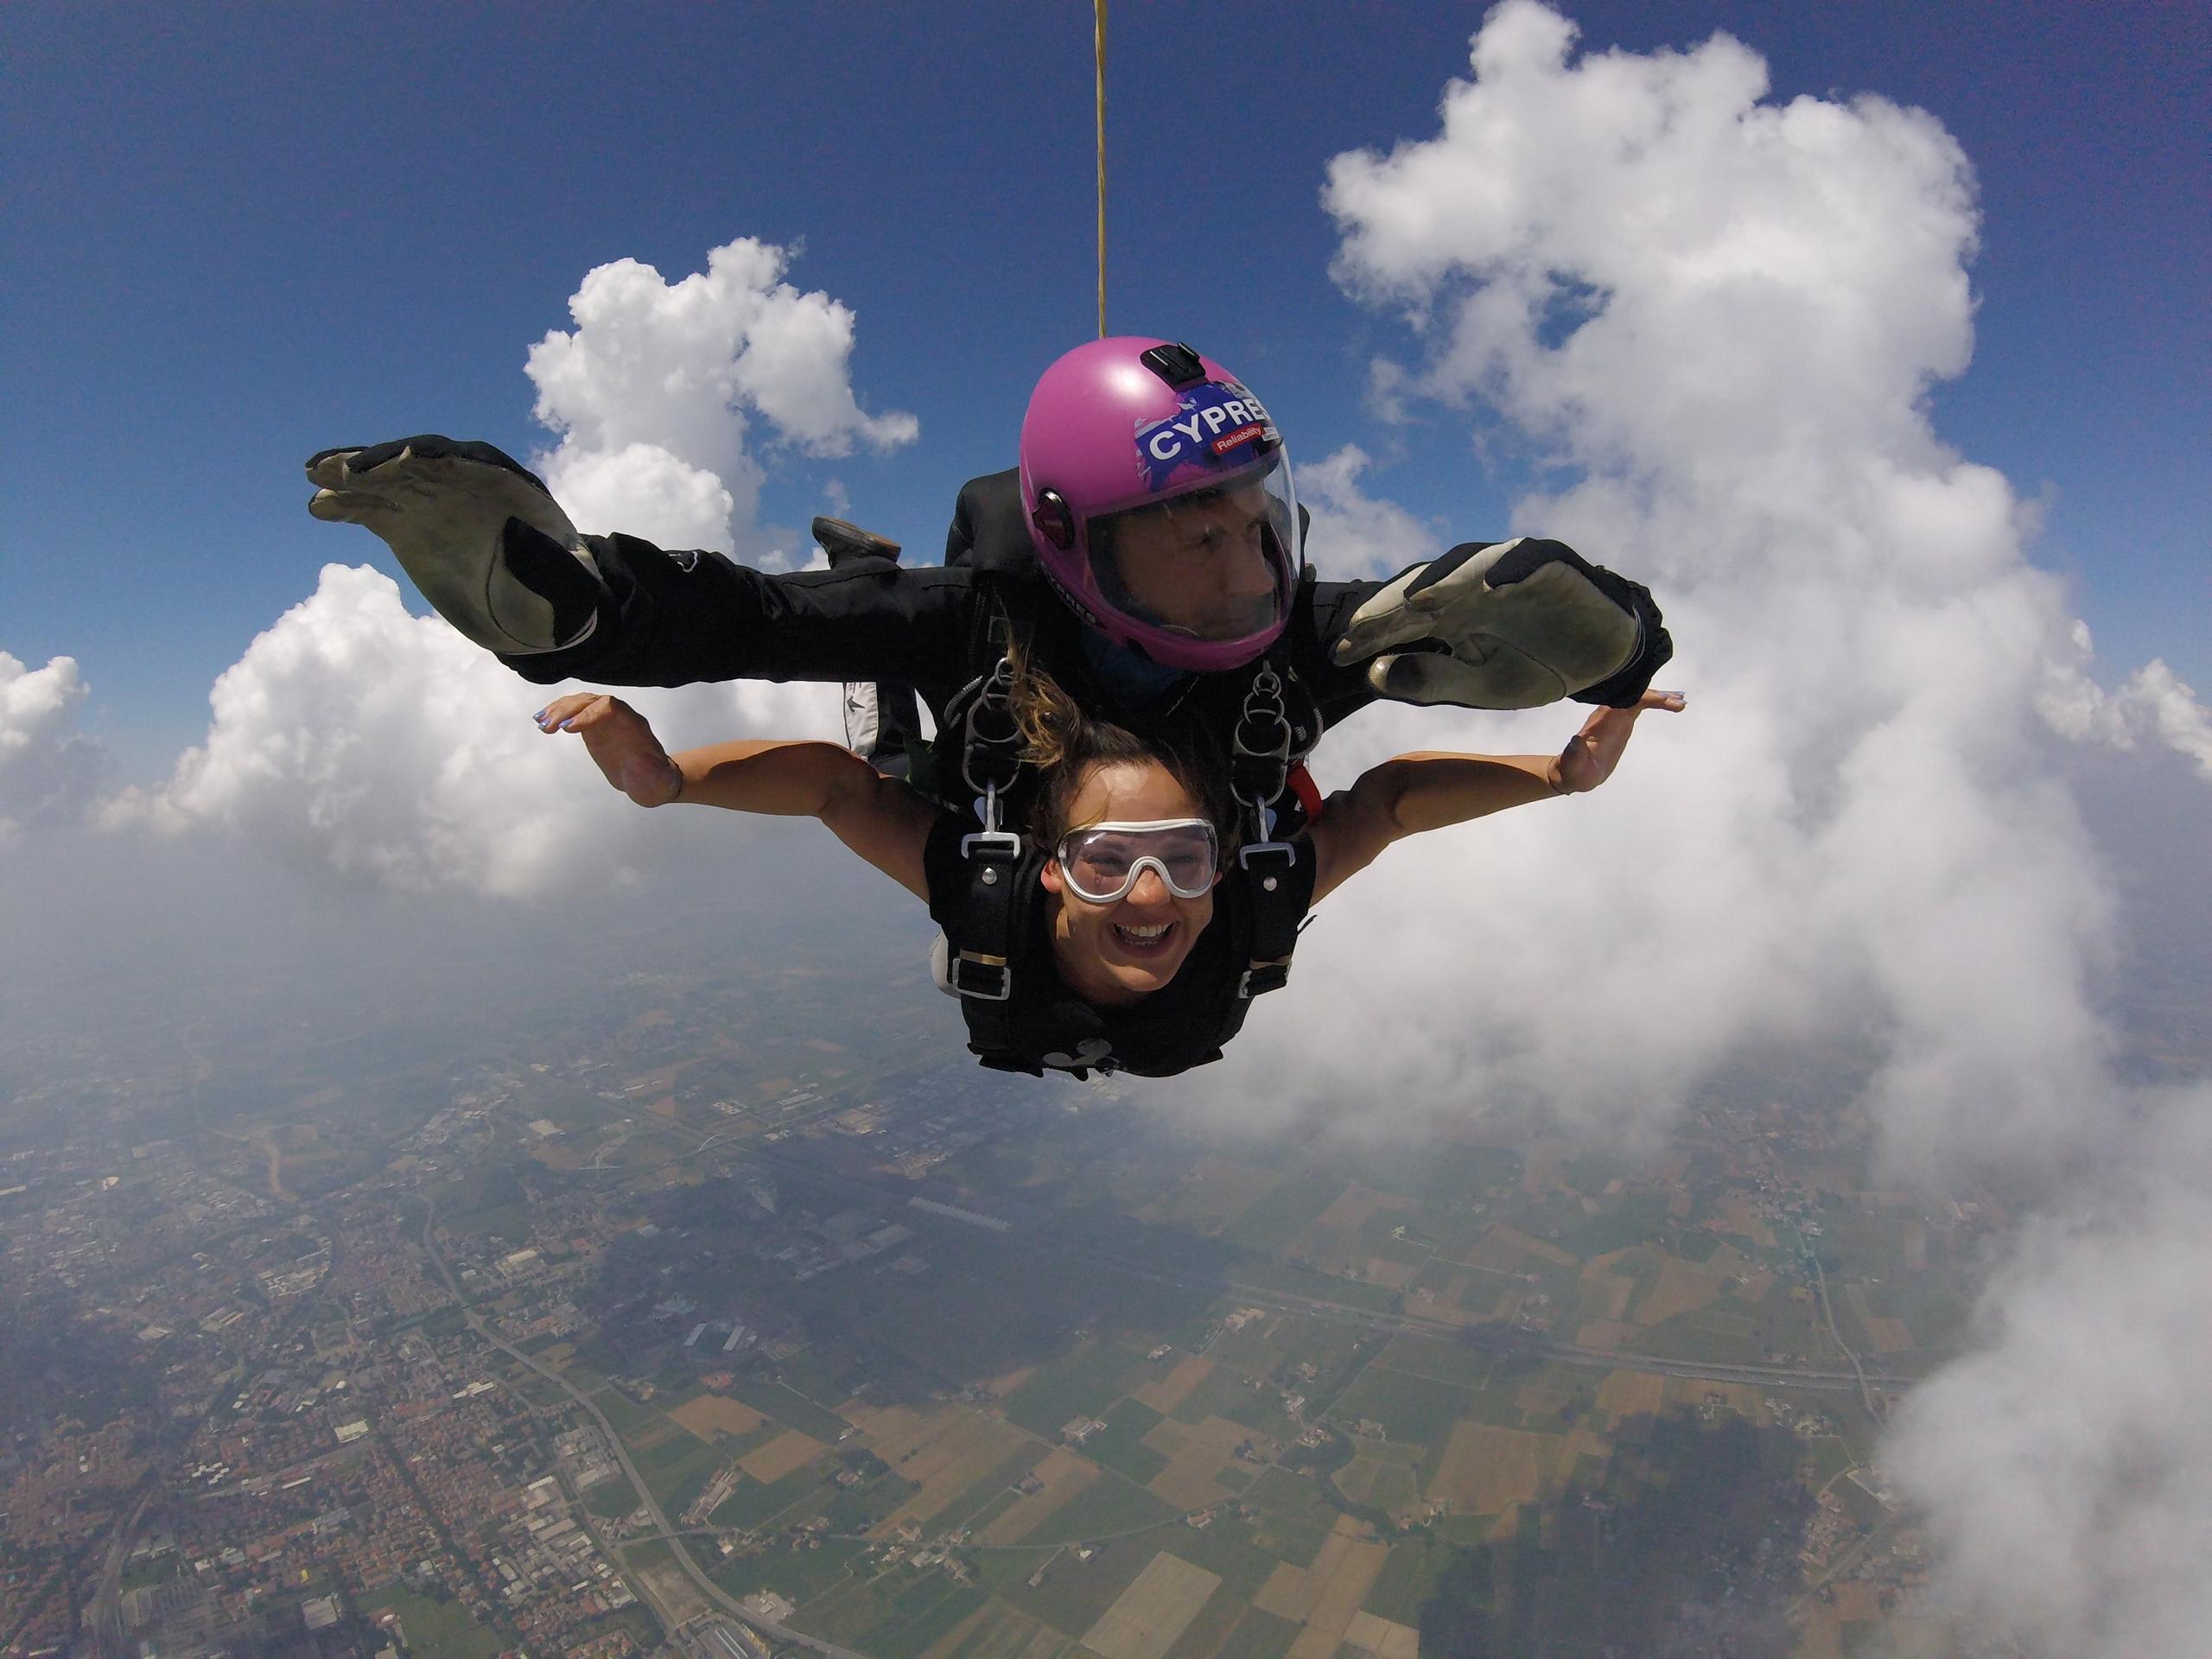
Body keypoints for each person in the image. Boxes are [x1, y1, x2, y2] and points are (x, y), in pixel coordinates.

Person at [307, 339, 1675, 856]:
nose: (1241, 567)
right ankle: (869, 569)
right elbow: (744, 619)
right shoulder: (993, 618)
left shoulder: (1296, 632)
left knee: (910, 683)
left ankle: (868, 569)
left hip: (1004, 739)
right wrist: (594, 612)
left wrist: (1612, 667)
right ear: (1084, 551)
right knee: (890, 634)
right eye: (1190, 535)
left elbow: (845, 795)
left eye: (1254, 524)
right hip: (985, 677)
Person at [532, 668, 1683, 1079]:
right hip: (1108, 849)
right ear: (1052, 871)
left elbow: (841, 790)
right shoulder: (1247, 912)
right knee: (937, 760)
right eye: (1109, 863)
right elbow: (1383, 805)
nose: (1150, 897)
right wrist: (666, 780)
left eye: (1181, 860)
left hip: (1028, 854)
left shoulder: (985, 897)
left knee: (919, 764)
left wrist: (675, 782)